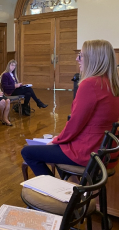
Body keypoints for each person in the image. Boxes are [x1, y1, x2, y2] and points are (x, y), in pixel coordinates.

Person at [21, 39, 119, 176]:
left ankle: (55, 191)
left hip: (89, 152)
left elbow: (75, 124)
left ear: (93, 59)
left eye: (81, 55)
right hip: (108, 151)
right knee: (56, 149)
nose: (77, 59)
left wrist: (56, 141)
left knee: (27, 152)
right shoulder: (111, 83)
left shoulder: (90, 84)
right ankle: (69, 186)